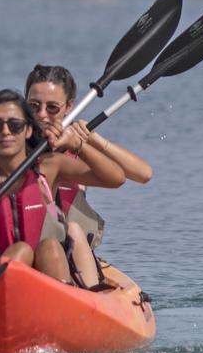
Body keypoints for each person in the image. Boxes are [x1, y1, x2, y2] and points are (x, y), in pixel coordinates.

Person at [0, 89, 124, 287]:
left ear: (28, 130)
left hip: (45, 274)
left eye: (15, 125)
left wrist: (77, 145)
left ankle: (60, 307)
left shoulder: (49, 166)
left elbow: (115, 178)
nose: (5, 131)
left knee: (51, 247)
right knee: (21, 250)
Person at [25, 64, 152, 261]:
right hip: (24, 250)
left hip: (71, 254)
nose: (42, 114)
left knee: (73, 229)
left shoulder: (76, 147)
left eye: (52, 107)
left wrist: (92, 140)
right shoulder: (10, 146)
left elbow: (144, 174)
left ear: (68, 107)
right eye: (34, 106)